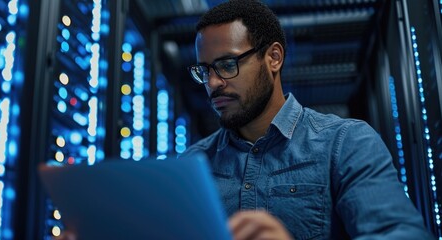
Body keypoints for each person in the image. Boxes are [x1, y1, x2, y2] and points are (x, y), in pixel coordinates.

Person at [180, 0, 433, 239]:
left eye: (226, 65)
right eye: (204, 70)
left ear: (274, 58)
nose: (212, 83)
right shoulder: (192, 165)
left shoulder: (346, 144)